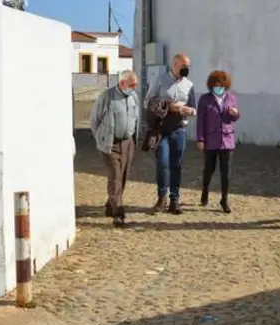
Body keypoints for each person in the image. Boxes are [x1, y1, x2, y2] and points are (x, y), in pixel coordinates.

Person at [144, 53, 196, 214]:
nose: (186, 69)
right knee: (163, 163)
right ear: (174, 64)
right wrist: (167, 105)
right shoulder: (160, 79)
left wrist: (189, 111)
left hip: (179, 130)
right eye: (183, 66)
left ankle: (174, 200)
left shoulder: (189, 84)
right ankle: (161, 198)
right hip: (161, 130)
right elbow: (147, 102)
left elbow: (194, 108)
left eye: (188, 66)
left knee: (176, 165)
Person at [90, 70, 140, 227]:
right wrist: (101, 138)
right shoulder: (106, 96)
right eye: (132, 85)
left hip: (127, 142)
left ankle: (110, 204)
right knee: (115, 175)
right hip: (110, 143)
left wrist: (134, 138)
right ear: (122, 83)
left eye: (136, 85)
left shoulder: (133, 96)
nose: (134, 88)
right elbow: (94, 121)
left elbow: (136, 117)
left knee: (123, 175)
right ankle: (118, 212)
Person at [196, 70, 240, 213]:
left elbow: (234, 118)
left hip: (227, 140)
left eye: (221, 84)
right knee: (209, 169)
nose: (218, 87)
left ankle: (224, 199)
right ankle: (205, 190)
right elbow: (200, 121)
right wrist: (200, 139)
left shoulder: (231, 98)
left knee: (226, 172)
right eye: (216, 84)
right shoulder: (205, 99)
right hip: (211, 140)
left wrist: (235, 114)